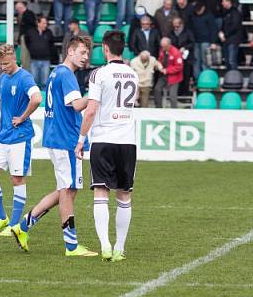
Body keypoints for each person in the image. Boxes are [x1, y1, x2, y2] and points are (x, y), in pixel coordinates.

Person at [10, 35, 96, 257]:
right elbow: (77, 105)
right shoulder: (66, 75)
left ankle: (24, 226)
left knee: (67, 189)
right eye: (81, 52)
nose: (85, 57)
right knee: (68, 190)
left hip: (58, 137)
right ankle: (71, 245)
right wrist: (97, 94)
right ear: (70, 51)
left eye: (87, 53)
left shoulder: (57, 72)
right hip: (65, 139)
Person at [77, 30, 139, 261]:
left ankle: (105, 245)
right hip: (127, 141)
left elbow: (91, 110)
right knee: (124, 196)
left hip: (103, 139)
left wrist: (81, 139)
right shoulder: (132, 74)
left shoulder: (98, 74)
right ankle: (120, 248)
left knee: (101, 193)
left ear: (105, 48)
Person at [0, 43, 42, 237]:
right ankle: (2, 218)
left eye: (6, 63)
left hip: (20, 137)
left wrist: (23, 117)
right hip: (2, 136)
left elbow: (37, 98)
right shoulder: (4, 78)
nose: (4, 67)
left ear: (15, 58)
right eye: (1, 64)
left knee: (17, 179)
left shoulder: (25, 77)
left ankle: (14, 225)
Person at [25, 15, 56, 88]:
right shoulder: (30, 32)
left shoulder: (49, 32)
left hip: (46, 60)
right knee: (33, 81)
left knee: (45, 82)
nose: (45, 25)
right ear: (38, 23)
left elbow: (52, 45)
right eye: (43, 23)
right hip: (34, 60)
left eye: (46, 23)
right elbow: (27, 43)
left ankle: (44, 98)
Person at [153, 37, 183, 108]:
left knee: (172, 96)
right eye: (162, 46)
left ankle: (174, 112)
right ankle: (158, 108)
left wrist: (167, 70)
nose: (163, 48)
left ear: (169, 45)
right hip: (163, 76)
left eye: (164, 47)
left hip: (174, 77)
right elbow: (160, 59)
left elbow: (179, 67)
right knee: (157, 89)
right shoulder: (162, 50)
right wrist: (158, 65)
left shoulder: (176, 53)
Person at [189, 3, 216, 79]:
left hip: (206, 41)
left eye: (199, 10)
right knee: (196, 62)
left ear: (203, 8)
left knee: (206, 62)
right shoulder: (193, 16)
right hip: (196, 41)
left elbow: (213, 29)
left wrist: (213, 42)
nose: (197, 12)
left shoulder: (209, 16)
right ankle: (197, 80)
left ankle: (206, 79)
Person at [218, 0, 245, 70]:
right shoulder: (225, 13)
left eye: (223, 1)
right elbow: (224, 26)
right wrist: (221, 33)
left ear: (228, 1)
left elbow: (235, 26)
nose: (222, 3)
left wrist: (224, 35)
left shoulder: (235, 13)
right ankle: (230, 77)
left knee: (231, 60)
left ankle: (234, 78)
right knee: (227, 60)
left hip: (233, 40)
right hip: (227, 40)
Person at [170, 17, 195, 93]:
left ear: (181, 25)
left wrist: (185, 47)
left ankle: (185, 91)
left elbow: (192, 43)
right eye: (174, 26)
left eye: (177, 26)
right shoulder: (171, 33)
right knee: (176, 74)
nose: (175, 28)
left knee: (186, 74)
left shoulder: (188, 32)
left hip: (186, 57)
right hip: (175, 57)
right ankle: (177, 91)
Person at [15, 1, 37, 70]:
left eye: (17, 9)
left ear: (20, 8)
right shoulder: (27, 14)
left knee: (25, 57)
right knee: (24, 57)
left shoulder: (28, 14)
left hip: (27, 37)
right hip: (26, 37)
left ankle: (26, 71)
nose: (17, 11)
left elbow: (30, 27)